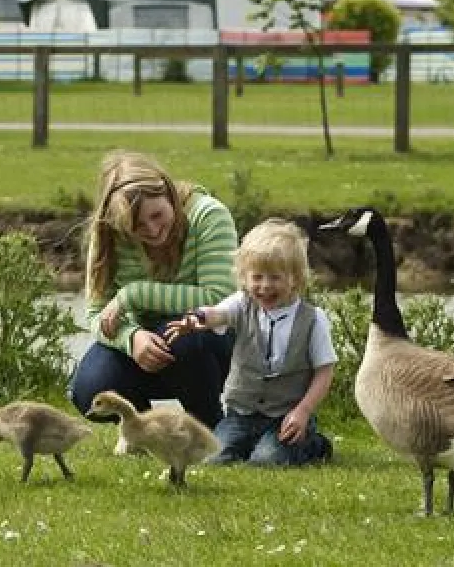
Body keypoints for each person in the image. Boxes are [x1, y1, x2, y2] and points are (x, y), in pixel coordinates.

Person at [67, 150, 238, 452]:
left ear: (169, 192)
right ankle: (144, 431)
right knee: (90, 388)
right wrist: (130, 338)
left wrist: (132, 295)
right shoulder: (108, 231)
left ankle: (209, 427)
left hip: (205, 340)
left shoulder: (209, 215)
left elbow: (218, 298)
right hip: (144, 343)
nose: (152, 230)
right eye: (137, 227)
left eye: (157, 215)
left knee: (186, 339)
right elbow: (96, 313)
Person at [165, 217, 335, 466]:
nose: (265, 286)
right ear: (245, 278)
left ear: (295, 279)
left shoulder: (313, 319)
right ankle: (250, 444)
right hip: (241, 414)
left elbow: (324, 372)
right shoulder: (242, 304)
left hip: (286, 415)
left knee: (267, 460)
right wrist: (197, 319)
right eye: (257, 277)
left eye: (275, 278)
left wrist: (303, 411)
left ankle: (315, 444)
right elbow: (217, 314)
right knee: (212, 458)